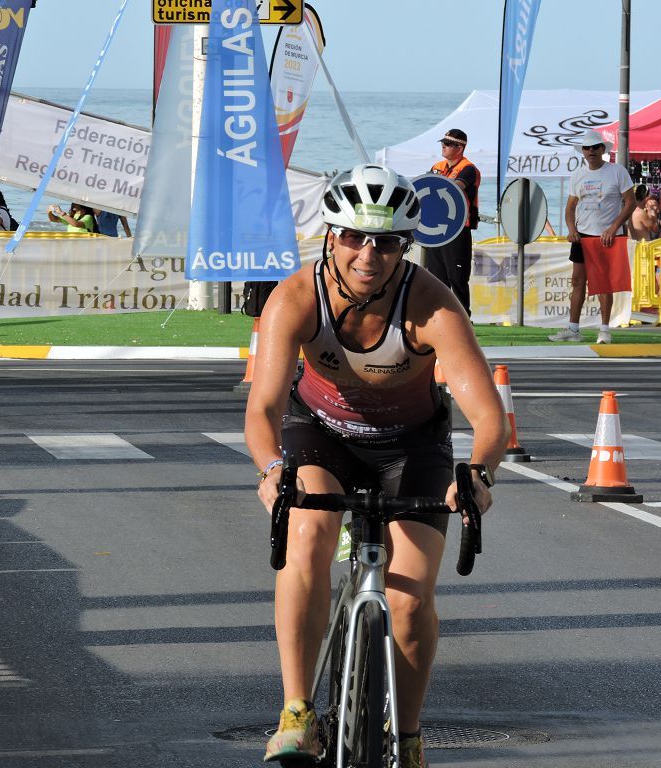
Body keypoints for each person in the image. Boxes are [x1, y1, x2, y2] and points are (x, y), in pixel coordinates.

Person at [245, 164, 509, 768]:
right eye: (355, 237)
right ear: (330, 237)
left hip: (412, 446)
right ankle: (296, 713)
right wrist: (269, 469)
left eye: (387, 241)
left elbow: (490, 421)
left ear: (405, 246)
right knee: (307, 531)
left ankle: (408, 737)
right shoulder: (294, 297)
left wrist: (480, 473)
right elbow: (261, 407)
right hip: (321, 436)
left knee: (412, 598)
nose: (370, 253)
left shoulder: (430, 306)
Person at [548, 128, 636, 345]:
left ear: (602, 149)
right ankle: (573, 328)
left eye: (595, 147)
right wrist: (571, 229)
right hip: (582, 236)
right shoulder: (578, 175)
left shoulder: (617, 171)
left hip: (606, 236)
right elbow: (570, 207)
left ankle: (604, 329)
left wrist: (614, 227)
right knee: (578, 281)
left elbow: (631, 202)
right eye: (587, 148)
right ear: (582, 152)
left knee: (604, 284)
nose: (590, 151)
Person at [421, 128, 480, 315]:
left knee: (458, 278)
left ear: (460, 148)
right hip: (436, 231)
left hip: (458, 229)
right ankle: (439, 317)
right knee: (436, 278)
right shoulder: (437, 166)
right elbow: (425, 188)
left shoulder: (468, 169)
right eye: (443, 143)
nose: (443, 147)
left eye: (447, 144)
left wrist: (434, 184)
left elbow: (454, 188)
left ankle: (464, 318)